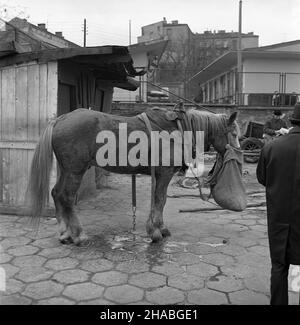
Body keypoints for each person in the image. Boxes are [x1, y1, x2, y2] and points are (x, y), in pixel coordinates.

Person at [256, 102, 300, 305]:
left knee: (279, 266)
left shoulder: (272, 147)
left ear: (291, 120)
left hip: (279, 220)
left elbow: (263, 179)